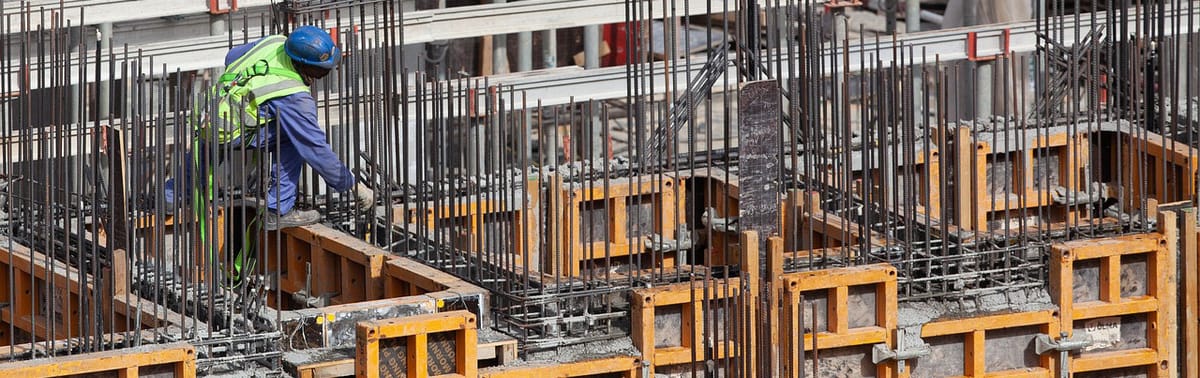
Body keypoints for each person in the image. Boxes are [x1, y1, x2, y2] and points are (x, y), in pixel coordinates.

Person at [164, 26, 374, 230]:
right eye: (322, 71)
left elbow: (232, 56)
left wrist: (250, 89)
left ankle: (171, 196)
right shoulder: (294, 96)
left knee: (214, 136)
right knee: (293, 138)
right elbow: (316, 149)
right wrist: (351, 185)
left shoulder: (276, 42)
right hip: (232, 131)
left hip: (211, 112)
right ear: (304, 65)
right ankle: (278, 210)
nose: (324, 74)